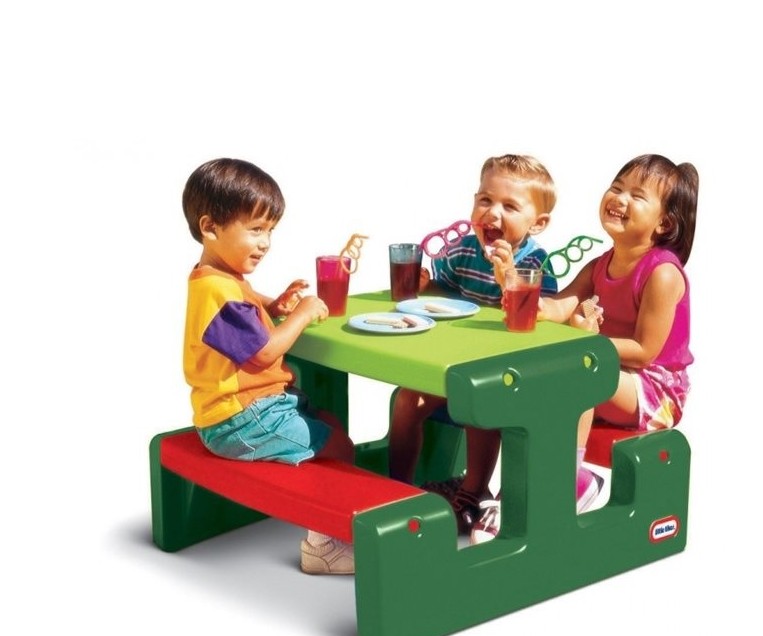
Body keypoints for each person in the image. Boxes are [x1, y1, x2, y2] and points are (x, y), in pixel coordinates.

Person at [471, 153, 698, 544]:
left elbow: (644, 351)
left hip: (655, 391)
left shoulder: (662, 273)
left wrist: (587, 343)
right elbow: (555, 308)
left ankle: (571, 481)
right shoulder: (600, 266)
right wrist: (512, 281)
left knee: (579, 370)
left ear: (664, 223)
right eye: (617, 188)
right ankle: (514, 494)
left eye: (637, 196)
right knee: (535, 387)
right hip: (608, 372)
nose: (620, 199)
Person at [182, 157, 356, 574]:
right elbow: (263, 353)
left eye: (270, 231)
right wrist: (302, 314)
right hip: (240, 420)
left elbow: (246, 301)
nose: (265, 243)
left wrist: (274, 305)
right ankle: (324, 546)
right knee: (338, 448)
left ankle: (333, 522)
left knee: (330, 423)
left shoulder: (215, 276)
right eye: (256, 230)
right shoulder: (218, 292)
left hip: (245, 411)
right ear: (210, 227)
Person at [388, 153, 557, 535]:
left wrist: (507, 276)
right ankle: (396, 491)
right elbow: (444, 292)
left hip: (505, 376)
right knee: (407, 399)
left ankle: (474, 490)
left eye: (510, 206)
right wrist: (427, 285)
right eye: (485, 200)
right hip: (453, 365)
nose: (492, 213)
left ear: (538, 223)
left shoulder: (535, 263)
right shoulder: (464, 249)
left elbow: (539, 319)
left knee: (477, 405)